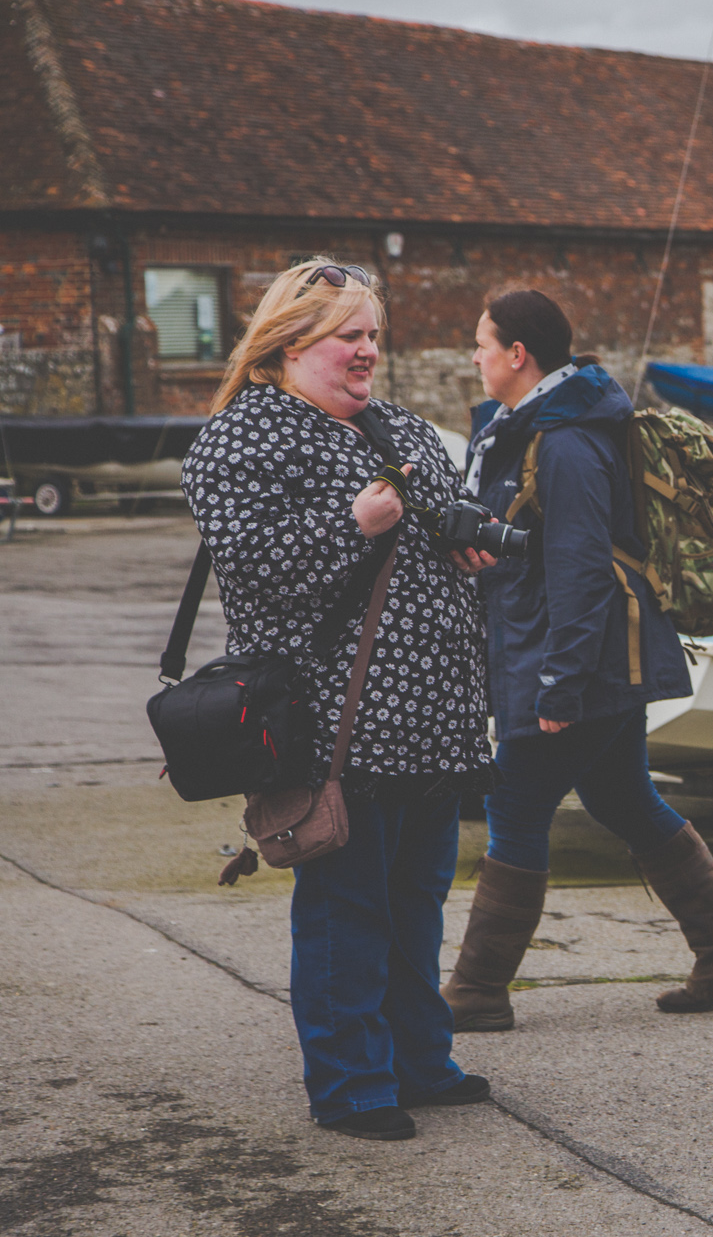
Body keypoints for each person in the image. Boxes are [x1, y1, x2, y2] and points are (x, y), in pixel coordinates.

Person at [181, 259, 494, 1142]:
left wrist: (468, 548)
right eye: (349, 336)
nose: (368, 352)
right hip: (333, 722)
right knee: (346, 906)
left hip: (431, 722)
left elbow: (445, 524)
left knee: (416, 900)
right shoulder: (242, 438)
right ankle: (352, 1082)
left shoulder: (401, 428)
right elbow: (251, 571)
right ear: (290, 343)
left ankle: (419, 1061)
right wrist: (351, 525)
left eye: (373, 336)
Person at [441, 290, 713, 1032]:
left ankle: (477, 990)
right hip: (595, 655)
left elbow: (583, 568)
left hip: (580, 661)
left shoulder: (564, 441)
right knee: (622, 798)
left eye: (482, 343)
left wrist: (559, 682)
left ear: (518, 355)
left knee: (515, 806)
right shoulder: (537, 429)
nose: (475, 356)